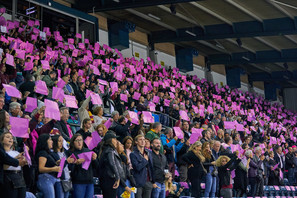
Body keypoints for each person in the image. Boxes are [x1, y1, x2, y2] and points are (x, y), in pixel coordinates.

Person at [68, 134, 98, 198]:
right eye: (77, 140)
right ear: (73, 142)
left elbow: (96, 166)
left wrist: (94, 159)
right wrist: (75, 163)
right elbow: (69, 169)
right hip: (78, 182)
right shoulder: (70, 152)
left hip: (89, 181)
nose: (79, 142)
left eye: (80, 140)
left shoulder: (88, 151)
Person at [0, 132, 27, 198]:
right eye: (7, 137)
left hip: (20, 178)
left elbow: (21, 165)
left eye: (12, 138)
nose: (10, 139)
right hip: (8, 179)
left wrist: (25, 161)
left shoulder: (16, 152)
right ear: (2, 140)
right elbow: (4, 167)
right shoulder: (3, 154)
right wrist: (16, 159)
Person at [35, 134, 61, 198]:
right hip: (45, 179)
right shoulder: (42, 153)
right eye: (50, 140)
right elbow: (41, 168)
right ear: (45, 141)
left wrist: (56, 163)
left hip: (50, 179)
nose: (52, 141)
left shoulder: (47, 153)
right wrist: (53, 169)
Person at [98, 131, 122, 198]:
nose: (116, 141)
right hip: (109, 179)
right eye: (114, 139)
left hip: (105, 179)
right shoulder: (110, 150)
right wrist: (117, 177)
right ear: (110, 140)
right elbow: (112, 163)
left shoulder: (104, 150)